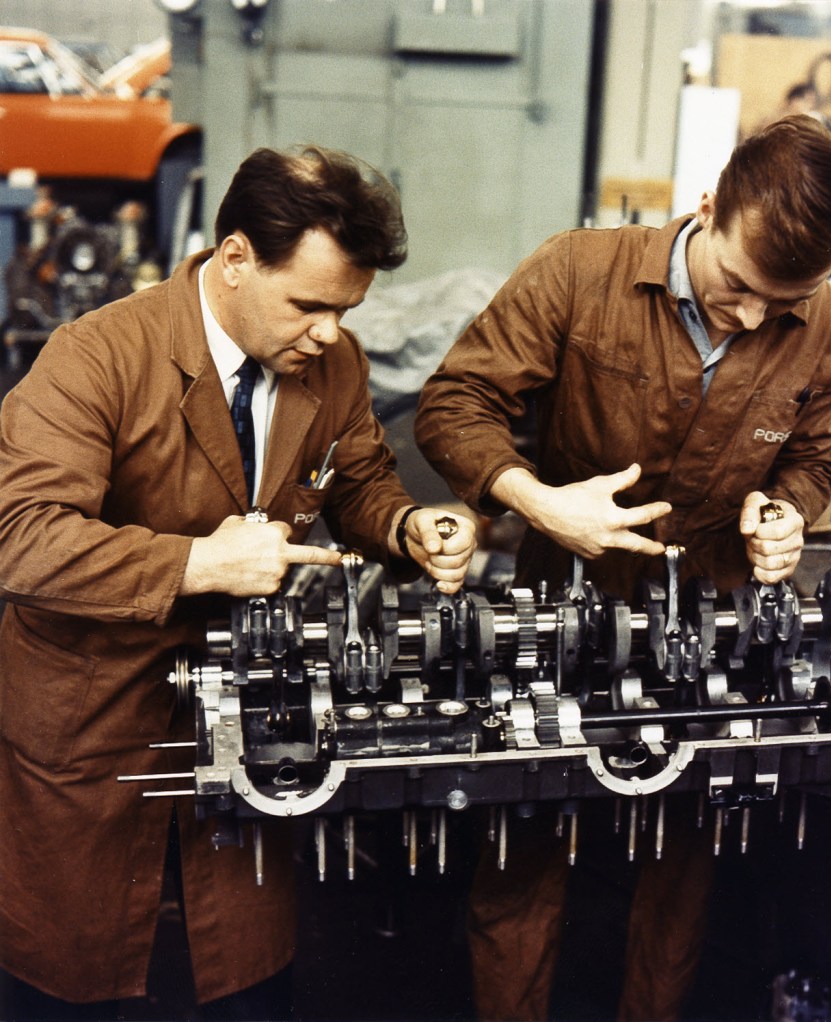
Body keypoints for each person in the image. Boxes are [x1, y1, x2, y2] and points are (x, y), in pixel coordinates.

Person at [0, 145, 476, 1019]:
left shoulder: (333, 363)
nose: (329, 333)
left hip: (244, 719)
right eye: (310, 306)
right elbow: (20, 537)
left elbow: (356, 481)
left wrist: (407, 527)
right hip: (93, 723)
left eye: (345, 309)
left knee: (242, 978)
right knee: (71, 980)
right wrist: (198, 563)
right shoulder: (97, 357)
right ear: (234, 258)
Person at [415, 114, 831, 1021]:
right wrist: (539, 502)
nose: (753, 317)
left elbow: (815, 460)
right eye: (739, 286)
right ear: (706, 207)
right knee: (525, 842)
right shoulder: (579, 270)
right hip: (561, 600)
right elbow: (454, 403)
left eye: (786, 302)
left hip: (710, 619)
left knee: (682, 862)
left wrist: (788, 514)